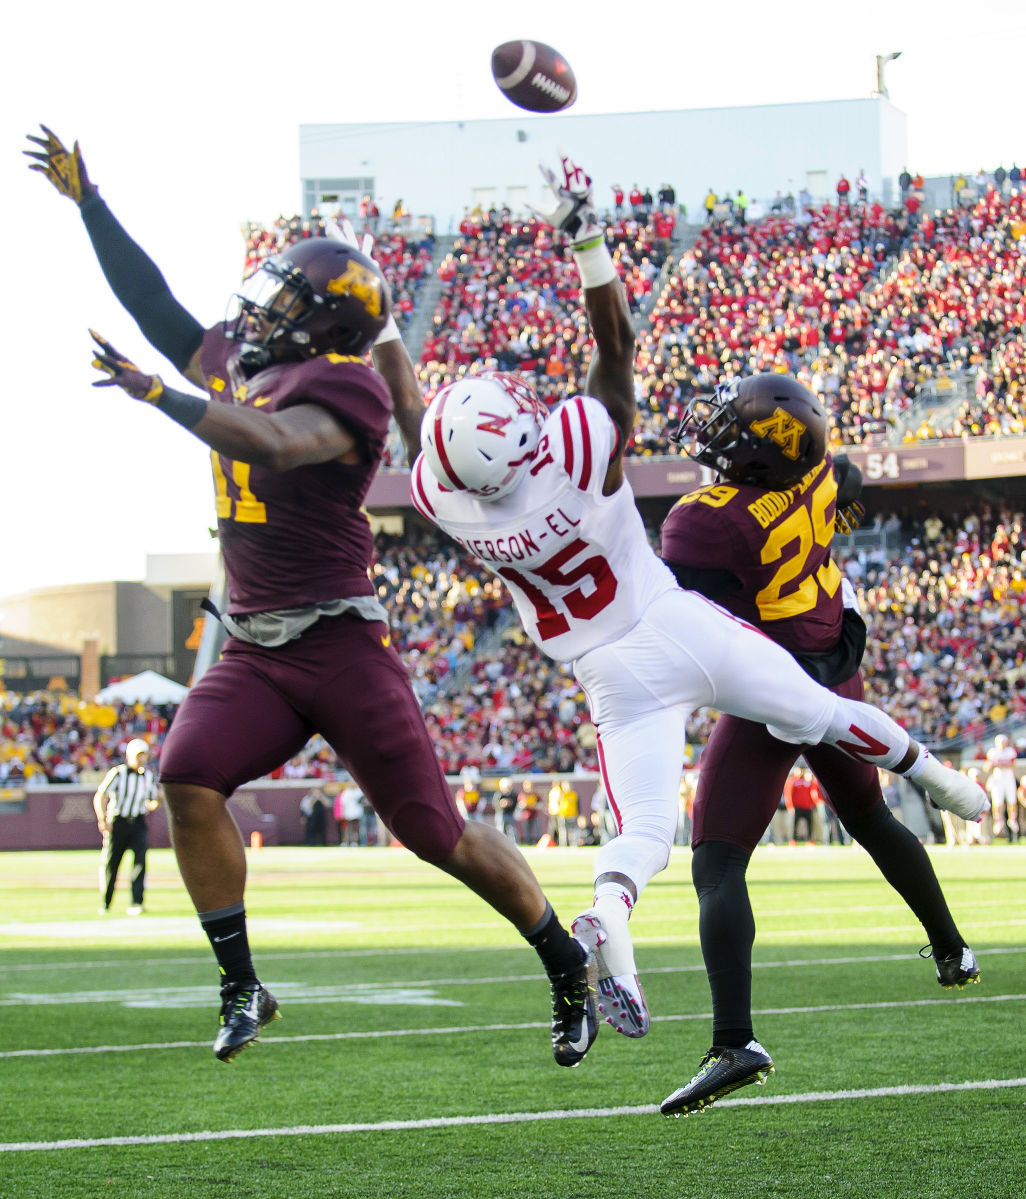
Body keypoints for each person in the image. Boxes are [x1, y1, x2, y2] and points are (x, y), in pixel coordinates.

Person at [389, 154, 987, 1087]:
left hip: (605, 671)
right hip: (712, 633)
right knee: (831, 726)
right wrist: (587, 235)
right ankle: (940, 784)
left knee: (660, 834)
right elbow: (615, 348)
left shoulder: (450, 502)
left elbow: (413, 417)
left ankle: (614, 910)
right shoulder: (742, 469)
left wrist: (387, 330)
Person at [26, 125, 598, 1070]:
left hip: (338, 644)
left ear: (326, 326)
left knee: (433, 830)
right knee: (185, 773)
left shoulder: (348, 388)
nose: (263, 311)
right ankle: (242, 984)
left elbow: (278, 443)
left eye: (287, 301)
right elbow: (155, 304)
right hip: (254, 645)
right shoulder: (239, 360)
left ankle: (565, 960)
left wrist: (161, 398)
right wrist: (90, 202)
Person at [656, 373, 981, 1115]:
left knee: (716, 862)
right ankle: (952, 947)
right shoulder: (822, 474)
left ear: (765, 454)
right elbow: (850, 485)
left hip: (775, 686)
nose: (717, 433)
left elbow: (673, 599)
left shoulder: (708, 520)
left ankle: (735, 1040)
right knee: (870, 817)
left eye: (734, 429)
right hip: (836, 662)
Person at [93, 738, 162, 915]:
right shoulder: (118, 773)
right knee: (112, 863)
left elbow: (152, 803)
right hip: (118, 821)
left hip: (138, 821)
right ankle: (106, 903)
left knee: (140, 862)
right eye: (138, 755)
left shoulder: (148, 776)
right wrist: (102, 818)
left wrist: (159, 800)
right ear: (129, 755)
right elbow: (101, 795)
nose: (141, 759)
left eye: (143, 755)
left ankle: (136, 902)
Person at [985, 734, 1020, 843]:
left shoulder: (1010, 751)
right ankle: (998, 820)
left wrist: (999, 764)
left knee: (1012, 801)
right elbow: (987, 767)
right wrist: (995, 765)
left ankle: (1012, 819)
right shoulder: (993, 752)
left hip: (1008, 779)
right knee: (997, 802)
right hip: (998, 779)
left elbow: (1013, 765)